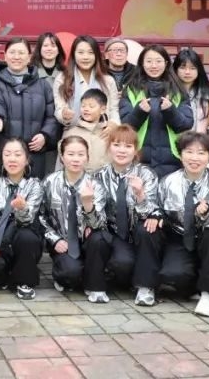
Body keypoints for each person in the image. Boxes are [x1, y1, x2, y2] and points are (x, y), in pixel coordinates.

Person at [157, 131, 209, 317]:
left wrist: (204, 214)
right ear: (180, 154)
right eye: (189, 152)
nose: (194, 158)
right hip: (181, 237)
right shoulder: (168, 181)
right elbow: (158, 210)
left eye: (201, 153)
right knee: (173, 274)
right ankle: (194, 285)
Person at [91, 124, 164, 306]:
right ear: (109, 147)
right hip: (114, 233)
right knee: (122, 261)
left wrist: (140, 195)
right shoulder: (99, 176)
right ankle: (102, 282)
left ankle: (146, 287)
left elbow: (152, 211)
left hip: (139, 231)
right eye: (116, 145)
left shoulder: (146, 174)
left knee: (148, 228)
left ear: (136, 150)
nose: (121, 150)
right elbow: (97, 215)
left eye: (128, 146)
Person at [0, 138, 45, 300]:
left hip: (20, 237)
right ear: (1, 158)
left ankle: (24, 282)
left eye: (18, 155)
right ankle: (1, 278)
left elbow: (27, 220)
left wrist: (22, 208)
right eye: (7, 154)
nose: (12, 159)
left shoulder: (34, 185)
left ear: (27, 159)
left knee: (28, 237)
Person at [40, 136, 106, 299]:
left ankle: (94, 285)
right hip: (61, 242)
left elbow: (99, 224)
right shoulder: (49, 182)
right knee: (70, 273)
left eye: (80, 154)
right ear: (62, 157)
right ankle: (65, 275)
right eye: (70, 154)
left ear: (87, 157)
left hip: (88, 243)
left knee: (99, 239)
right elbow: (40, 216)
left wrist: (88, 205)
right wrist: (54, 239)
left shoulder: (95, 185)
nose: (76, 159)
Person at [0, 37, 59, 177]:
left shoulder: (43, 85)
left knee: (33, 189)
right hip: (4, 153)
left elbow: (51, 116)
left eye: (21, 53)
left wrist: (45, 135)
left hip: (34, 153)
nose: (16, 57)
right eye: (12, 52)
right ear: (5, 55)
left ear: (29, 57)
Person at [119, 45, 195, 179]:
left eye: (158, 61)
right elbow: (126, 126)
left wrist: (170, 110)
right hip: (139, 156)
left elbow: (186, 124)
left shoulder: (177, 90)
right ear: (142, 64)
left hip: (172, 158)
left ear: (166, 63)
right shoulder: (131, 89)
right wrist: (140, 112)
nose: (154, 66)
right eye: (149, 61)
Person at [54, 35, 121, 137]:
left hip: (102, 134)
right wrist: (64, 114)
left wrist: (113, 124)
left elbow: (114, 108)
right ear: (74, 54)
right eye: (80, 52)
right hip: (73, 135)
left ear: (96, 55)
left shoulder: (108, 80)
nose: (85, 57)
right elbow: (59, 108)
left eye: (90, 52)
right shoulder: (62, 79)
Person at [57, 89, 111, 173]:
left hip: (104, 178)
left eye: (91, 106)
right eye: (83, 106)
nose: (86, 109)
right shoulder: (72, 132)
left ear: (103, 109)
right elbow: (62, 153)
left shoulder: (109, 132)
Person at [174, 48, 209, 133]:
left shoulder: (208, 95)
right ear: (176, 69)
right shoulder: (170, 93)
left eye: (192, 68)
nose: (187, 72)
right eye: (183, 67)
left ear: (199, 70)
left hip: (202, 140)